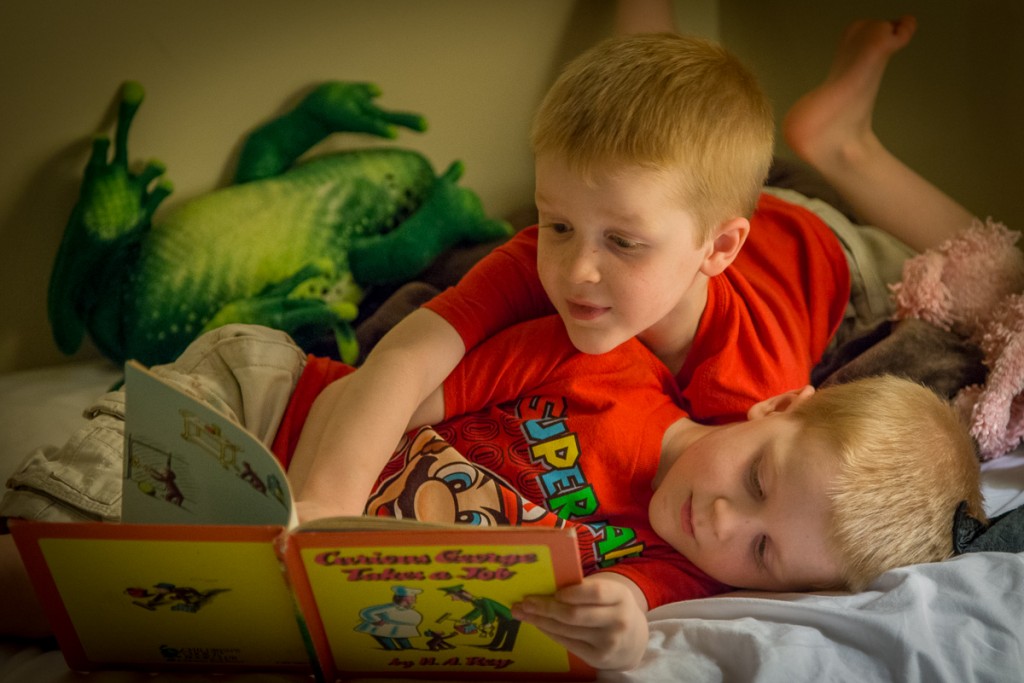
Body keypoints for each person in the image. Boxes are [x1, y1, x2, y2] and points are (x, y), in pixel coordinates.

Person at [288, 9, 972, 528]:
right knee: (643, 115)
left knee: (1003, 275)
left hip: (827, 252)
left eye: (621, 244)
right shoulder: (548, 251)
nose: (577, 269)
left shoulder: (750, 382)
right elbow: (407, 355)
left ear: (718, 250)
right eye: (556, 224)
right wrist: (325, 501)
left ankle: (845, 146)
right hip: (693, 210)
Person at [0, 319, 983, 672]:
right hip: (264, 406)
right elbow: (390, 396)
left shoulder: (681, 563)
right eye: (757, 477)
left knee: (121, 608)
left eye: (765, 552)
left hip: (272, 550)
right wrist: (315, 499)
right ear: (774, 402)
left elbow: (630, 617)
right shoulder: (608, 369)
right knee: (51, 550)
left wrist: (620, 631)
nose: (724, 520)